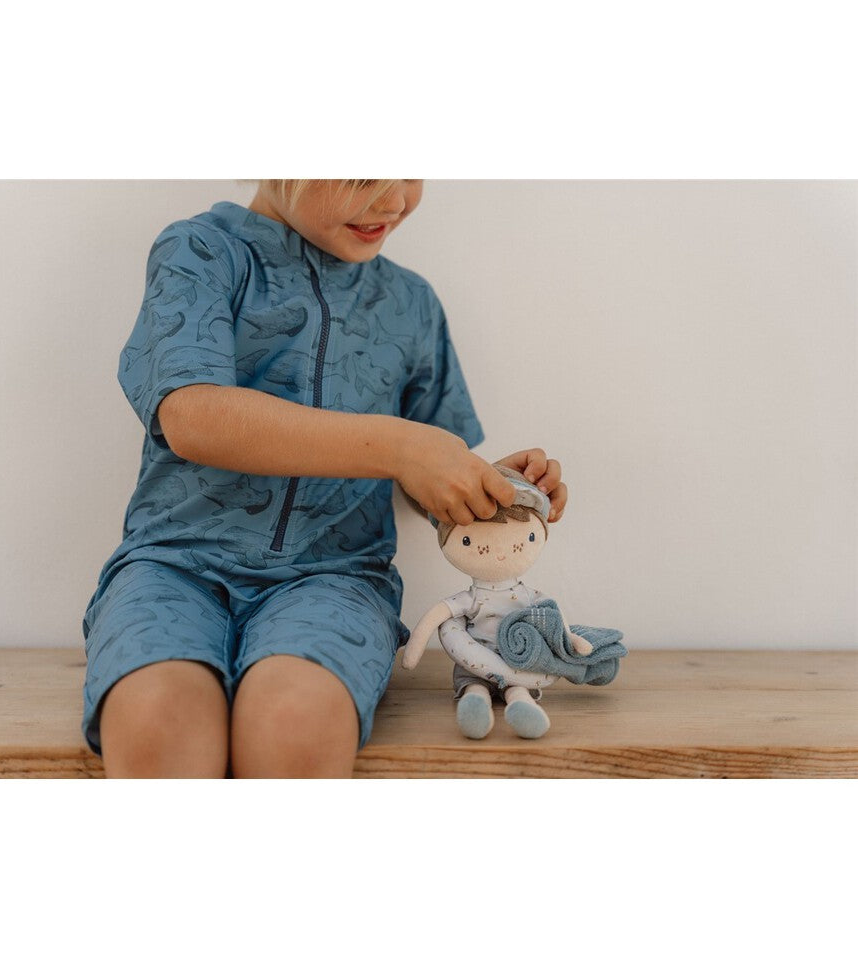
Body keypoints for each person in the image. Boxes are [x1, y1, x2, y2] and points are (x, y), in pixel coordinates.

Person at [81, 179, 568, 778]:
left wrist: (485, 487)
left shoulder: (410, 304)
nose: (392, 202)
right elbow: (190, 415)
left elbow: (425, 476)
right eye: (362, 174)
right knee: (158, 721)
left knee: (296, 724)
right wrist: (400, 446)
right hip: (173, 568)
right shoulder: (201, 252)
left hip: (335, 578)